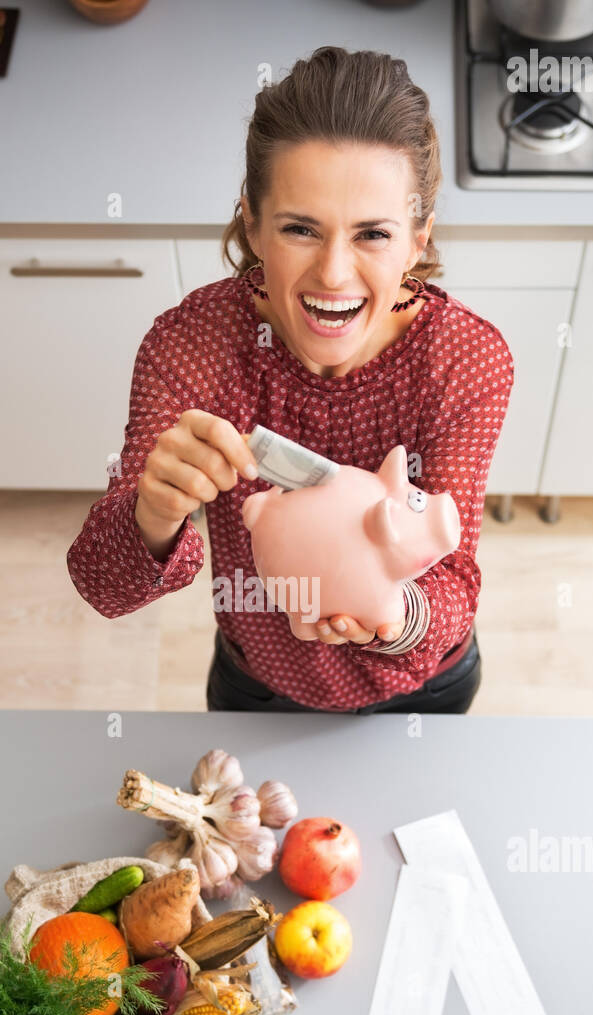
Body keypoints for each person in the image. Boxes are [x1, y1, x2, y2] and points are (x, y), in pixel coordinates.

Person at [66, 47, 514, 714]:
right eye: (300, 228)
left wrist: (390, 615)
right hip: (258, 685)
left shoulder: (463, 360)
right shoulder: (195, 347)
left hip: (425, 685)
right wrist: (155, 512)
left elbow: (452, 581)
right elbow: (105, 588)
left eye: (373, 234)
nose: (333, 274)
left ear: (418, 239)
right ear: (251, 221)